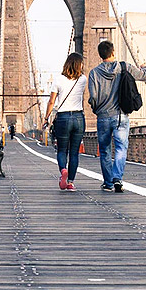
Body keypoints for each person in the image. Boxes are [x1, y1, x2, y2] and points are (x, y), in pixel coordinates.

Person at [87, 40, 146, 193]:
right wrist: (145, 67)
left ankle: (108, 183)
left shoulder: (94, 73)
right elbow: (144, 76)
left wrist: (97, 110)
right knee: (121, 148)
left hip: (103, 117)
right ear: (113, 52)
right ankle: (117, 178)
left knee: (105, 150)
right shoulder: (124, 67)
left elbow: (93, 97)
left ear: (100, 55)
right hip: (121, 116)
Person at [43, 53, 88, 191]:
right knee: (74, 152)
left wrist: (46, 118)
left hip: (63, 118)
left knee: (62, 150)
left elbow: (51, 101)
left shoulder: (58, 80)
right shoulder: (83, 79)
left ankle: (63, 170)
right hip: (79, 118)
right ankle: (71, 183)